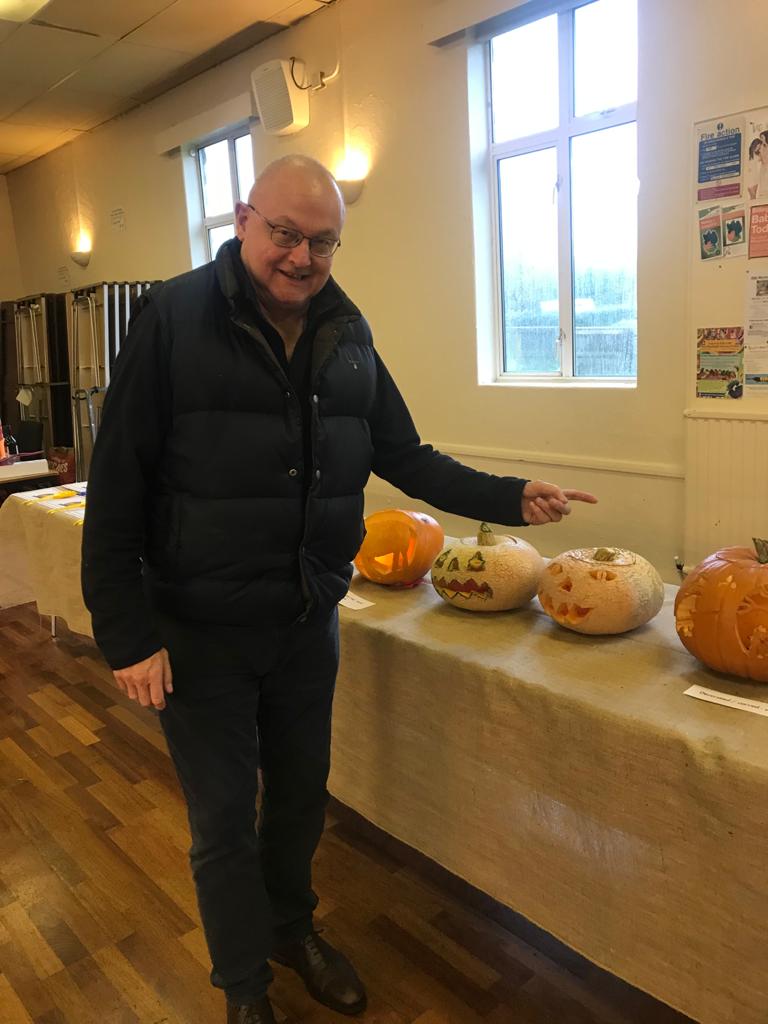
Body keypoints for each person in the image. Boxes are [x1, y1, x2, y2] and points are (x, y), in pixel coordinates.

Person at [82, 155, 598, 1024]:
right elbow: (118, 482)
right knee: (222, 824)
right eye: (285, 233)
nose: (302, 256)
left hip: (305, 616)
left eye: (323, 241)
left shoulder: (346, 332)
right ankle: (245, 989)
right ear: (243, 221)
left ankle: (293, 929)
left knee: (299, 797)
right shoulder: (171, 318)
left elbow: (403, 454)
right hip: (199, 624)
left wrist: (509, 495)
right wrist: (126, 634)